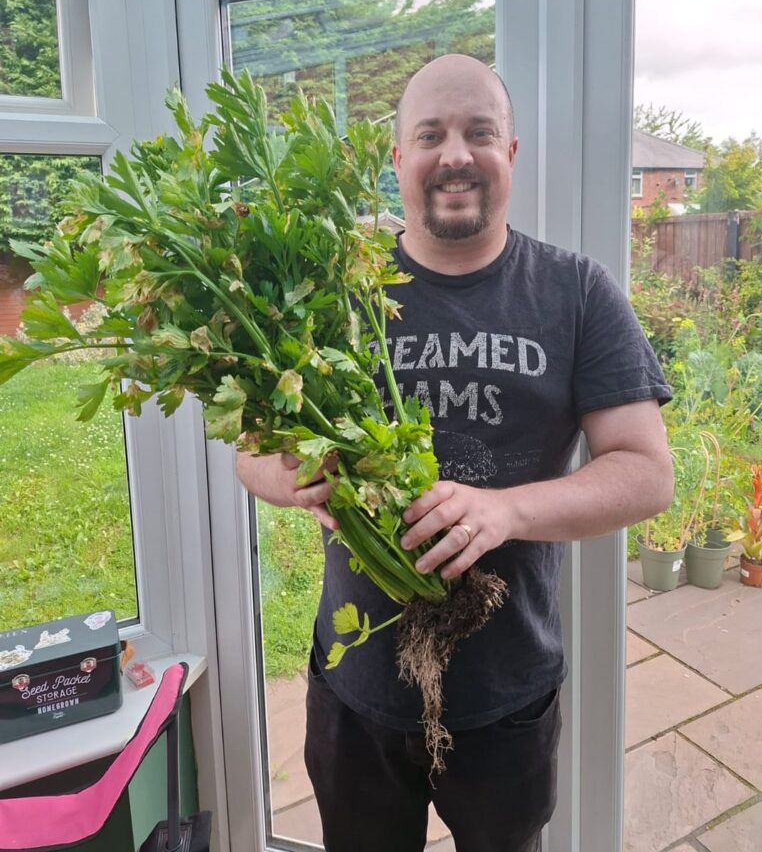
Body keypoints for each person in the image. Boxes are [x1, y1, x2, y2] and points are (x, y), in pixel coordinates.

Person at [236, 54, 674, 852]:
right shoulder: (335, 291)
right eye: (430, 134)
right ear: (398, 158)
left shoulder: (576, 293)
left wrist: (505, 510)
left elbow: (646, 473)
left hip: (507, 693)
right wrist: (290, 473)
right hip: (356, 688)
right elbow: (251, 451)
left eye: (480, 133)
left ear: (510, 154)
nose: (455, 154)